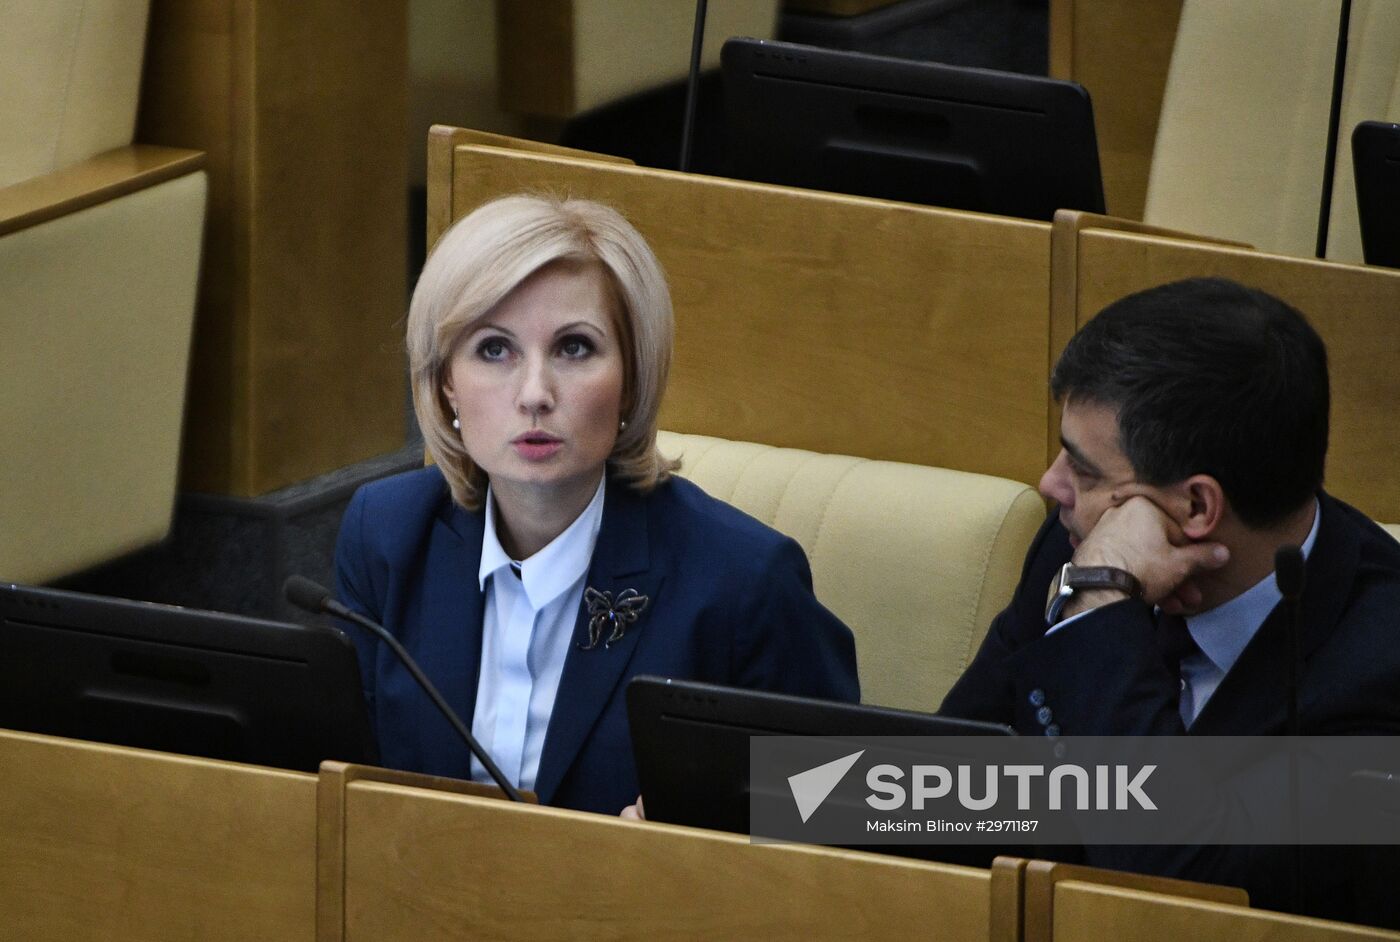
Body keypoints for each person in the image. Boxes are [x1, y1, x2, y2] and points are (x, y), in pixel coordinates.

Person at [333, 194, 859, 815]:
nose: (534, 394)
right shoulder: (388, 535)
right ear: (446, 380)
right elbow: (330, 770)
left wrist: (711, 826)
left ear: (632, 378)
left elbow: (860, 801)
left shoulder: (742, 581)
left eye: (574, 348)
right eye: (494, 350)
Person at [940, 277, 1400, 923]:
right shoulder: (1074, 540)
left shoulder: (1380, 676)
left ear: (1196, 507)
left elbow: (1178, 896)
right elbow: (939, 795)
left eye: (1085, 469)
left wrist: (1101, 606)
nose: (1050, 484)